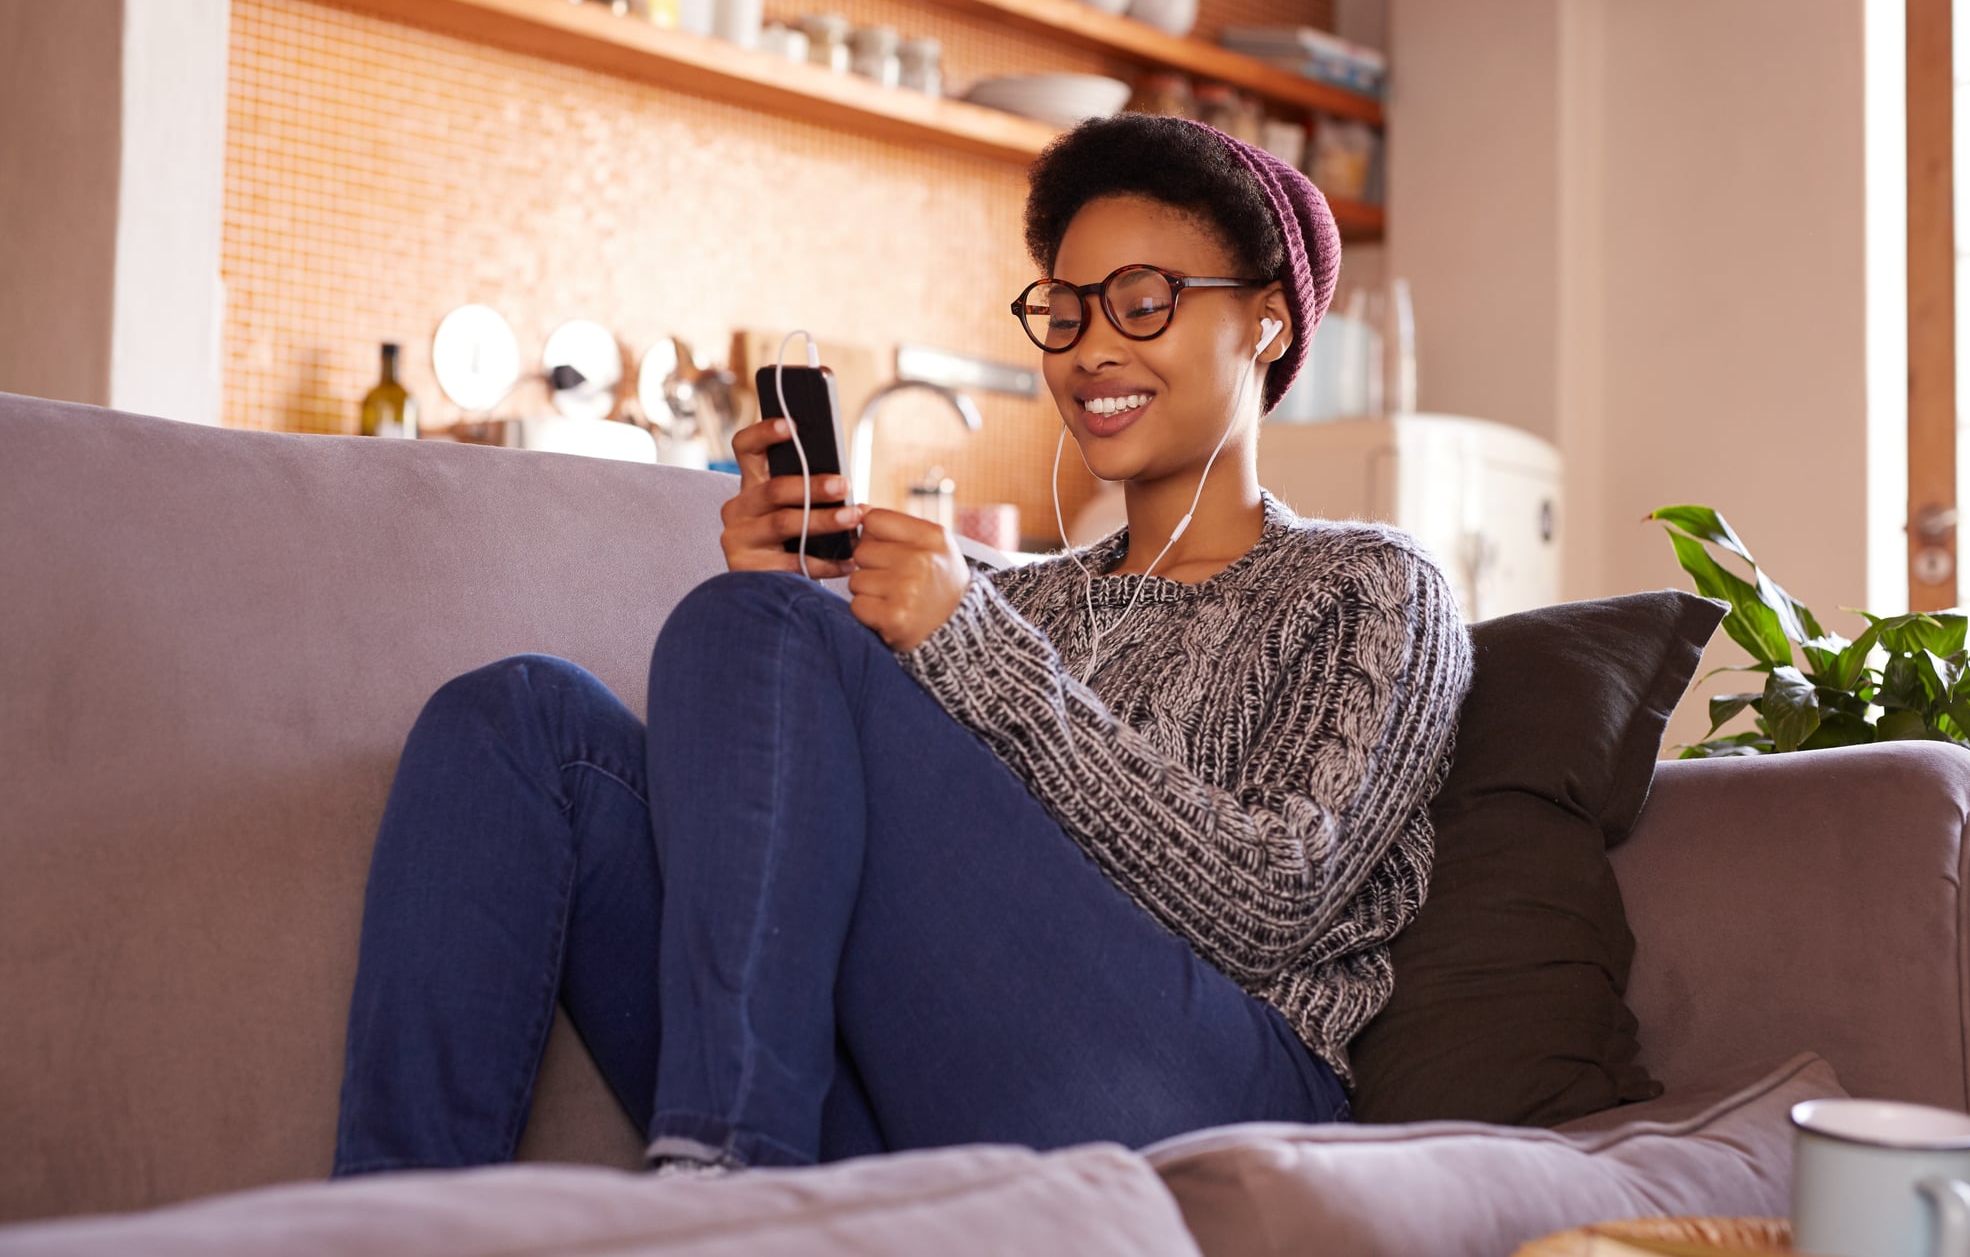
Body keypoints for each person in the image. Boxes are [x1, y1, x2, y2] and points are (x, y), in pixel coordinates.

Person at [331, 113, 1474, 1180]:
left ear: (1267, 319)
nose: (1086, 352)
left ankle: (731, 1186)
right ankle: (379, 1235)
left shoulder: (1371, 585)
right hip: (936, 1077)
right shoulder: (1020, 602)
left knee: (766, 632)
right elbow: (880, 874)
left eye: (1141, 300)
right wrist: (773, 652)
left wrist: (950, 643)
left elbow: (1273, 902)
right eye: (1064, 311)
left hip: (1211, 1089)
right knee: (522, 721)